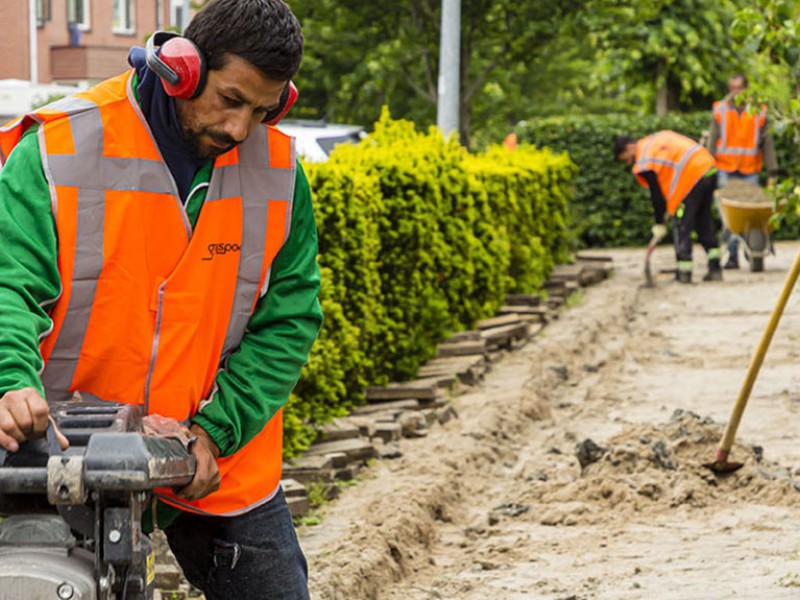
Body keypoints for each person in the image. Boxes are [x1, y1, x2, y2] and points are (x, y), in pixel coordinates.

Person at [0, 1, 322, 598]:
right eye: (230, 100)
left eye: (263, 109)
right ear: (182, 69)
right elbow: (7, 283)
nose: (240, 130)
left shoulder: (277, 172)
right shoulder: (59, 147)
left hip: (210, 452)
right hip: (58, 449)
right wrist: (9, 382)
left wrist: (213, 433)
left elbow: (288, 320)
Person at [614, 130, 722, 284]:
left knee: (681, 226)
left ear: (629, 148)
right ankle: (715, 268)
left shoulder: (645, 159)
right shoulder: (652, 142)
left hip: (691, 178)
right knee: (703, 221)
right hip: (708, 168)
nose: (629, 163)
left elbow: (656, 194)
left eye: (626, 159)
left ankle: (684, 273)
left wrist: (659, 223)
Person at [706, 73, 778, 269]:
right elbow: (712, 141)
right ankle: (732, 256)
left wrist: (772, 172)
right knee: (730, 217)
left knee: (750, 215)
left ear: (746, 88)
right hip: (725, 169)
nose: (735, 92)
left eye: (739, 88)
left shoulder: (759, 112)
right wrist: (708, 170)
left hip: (750, 170)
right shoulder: (720, 110)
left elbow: (768, 144)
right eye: (732, 88)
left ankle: (752, 246)